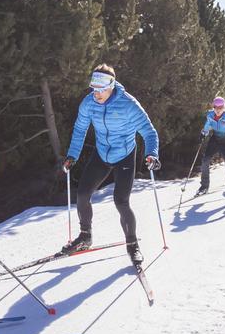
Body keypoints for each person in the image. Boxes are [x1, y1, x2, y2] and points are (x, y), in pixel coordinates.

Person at [60, 64, 160, 266]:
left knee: (121, 201)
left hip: (124, 155)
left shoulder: (128, 104)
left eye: (101, 89)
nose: (96, 93)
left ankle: (132, 245)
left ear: (112, 86)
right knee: (82, 194)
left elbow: (149, 133)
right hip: (102, 153)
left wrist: (151, 154)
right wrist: (72, 156)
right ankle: (85, 236)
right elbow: (79, 130)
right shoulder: (88, 103)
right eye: (93, 88)